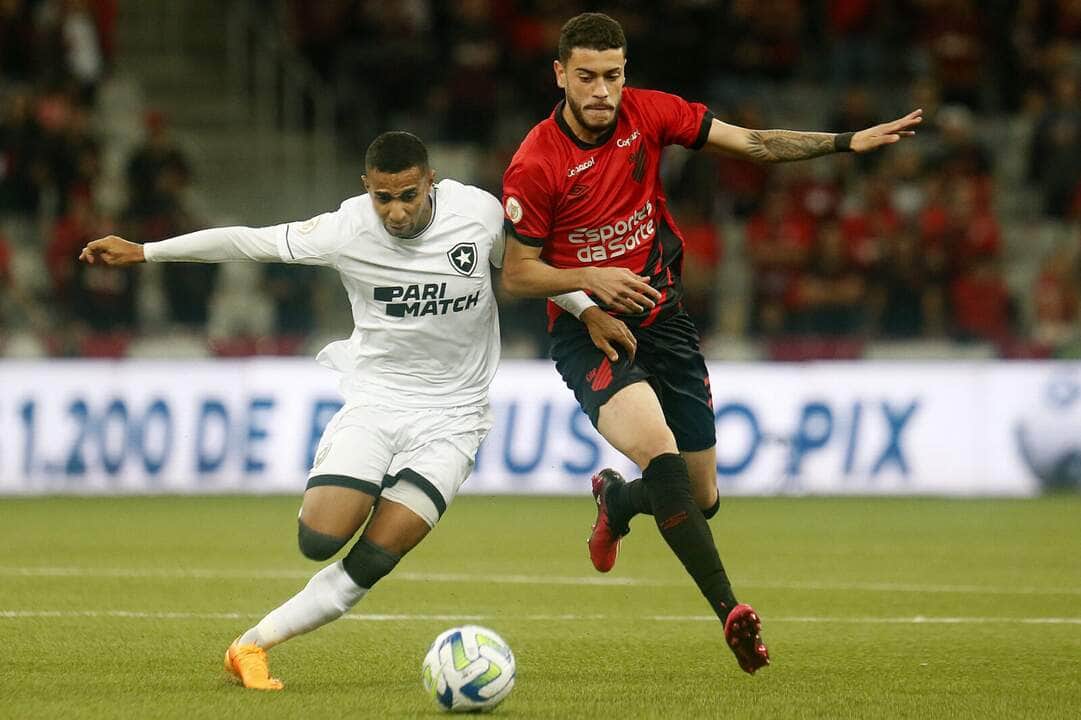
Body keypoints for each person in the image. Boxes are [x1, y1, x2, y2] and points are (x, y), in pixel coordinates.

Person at [500, 12, 922, 675]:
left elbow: (753, 143)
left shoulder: (652, 114)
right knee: (660, 453)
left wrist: (844, 142)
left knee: (699, 498)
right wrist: (589, 289)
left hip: (665, 322)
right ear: (559, 75)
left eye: (612, 75)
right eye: (585, 76)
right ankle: (729, 611)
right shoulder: (536, 162)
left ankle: (618, 500)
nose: (601, 91)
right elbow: (518, 272)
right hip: (592, 333)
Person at [79, 131, 513, 691]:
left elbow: (530, 265)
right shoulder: (347, 228)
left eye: (408, 195)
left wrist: (585, 305)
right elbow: (247, 242)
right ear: (367, 188)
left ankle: (251, 645)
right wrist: (145, 251)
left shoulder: (478, 213)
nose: (396, 211)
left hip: (456, 416)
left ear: (431, 181)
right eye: (384, 198)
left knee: (376, 559)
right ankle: (369, 481)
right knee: (319, 540)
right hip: (378, 400)